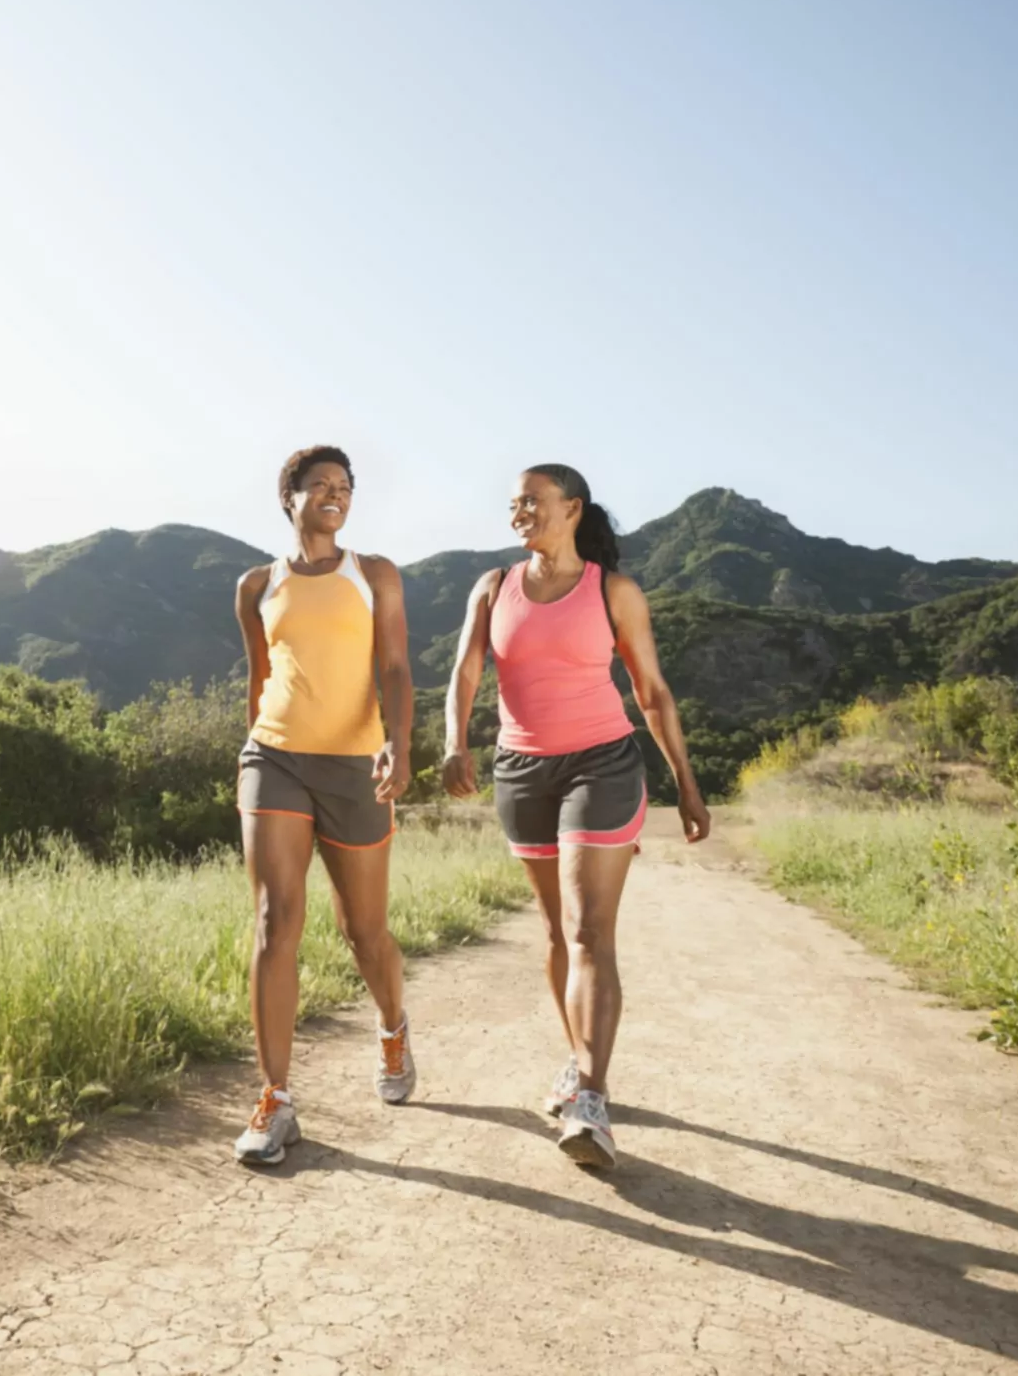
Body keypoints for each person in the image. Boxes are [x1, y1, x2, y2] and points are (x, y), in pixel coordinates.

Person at [442, 464, 710, 1169]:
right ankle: (578, 1058)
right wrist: (452, 742)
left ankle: (589, 1095)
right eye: (512, 504)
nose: (518, 512)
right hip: (521, 769)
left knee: (590, 928)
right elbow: (466, 670)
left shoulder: (611, 591)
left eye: (531, 500)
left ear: (571, 507)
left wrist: (685, 780)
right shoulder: (493, 587)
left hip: (602, 762)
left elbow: (650, 690)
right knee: (557, 931)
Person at [231, 444, 417, 1165]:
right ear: (290, 498)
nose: (334, 495)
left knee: (364, 931)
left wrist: (398, 745)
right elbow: (258, 678)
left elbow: (396, 667)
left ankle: (393, 1024)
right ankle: (275, 1098)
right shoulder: (256, 584)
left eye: (344, 486)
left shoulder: (374, 575)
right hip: (273, 756)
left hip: (355, 763)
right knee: (277, 918)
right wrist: (248, 751)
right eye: (320, 486)